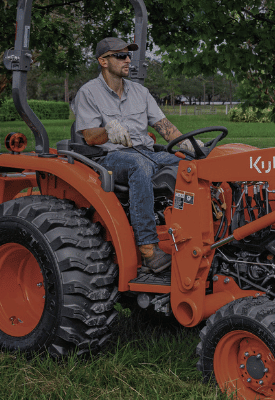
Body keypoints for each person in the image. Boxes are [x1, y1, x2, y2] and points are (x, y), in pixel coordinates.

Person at [72, 37, 192, 277]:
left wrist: (189, 145)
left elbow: (164, 127)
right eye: (121, 56)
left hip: (145, 152)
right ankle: (148, 249)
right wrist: (109, 131)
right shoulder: (88, 93)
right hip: (110, 158)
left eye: (128, 55)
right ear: (103, 61)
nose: (128, 60)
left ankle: (195, 234)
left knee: (191, 167)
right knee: (139, 166)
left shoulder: (140, 92)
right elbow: (89, 137)